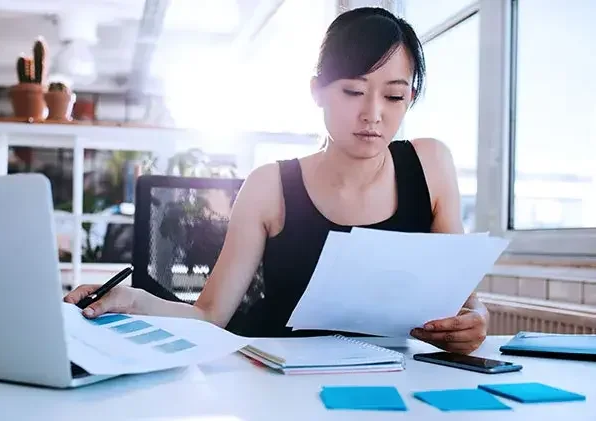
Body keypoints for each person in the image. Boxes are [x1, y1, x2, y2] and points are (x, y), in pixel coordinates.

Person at [65, 7, 489, 355]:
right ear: (317, 91)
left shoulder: (431, 164)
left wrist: (476, 321)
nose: (373, 114)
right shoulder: (270, 185)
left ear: (409, 98)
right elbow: (211, 315)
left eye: (394, 96)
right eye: (353, 92)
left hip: (400, 381)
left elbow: (460, 300)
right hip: (284, 380)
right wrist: (133, 300)